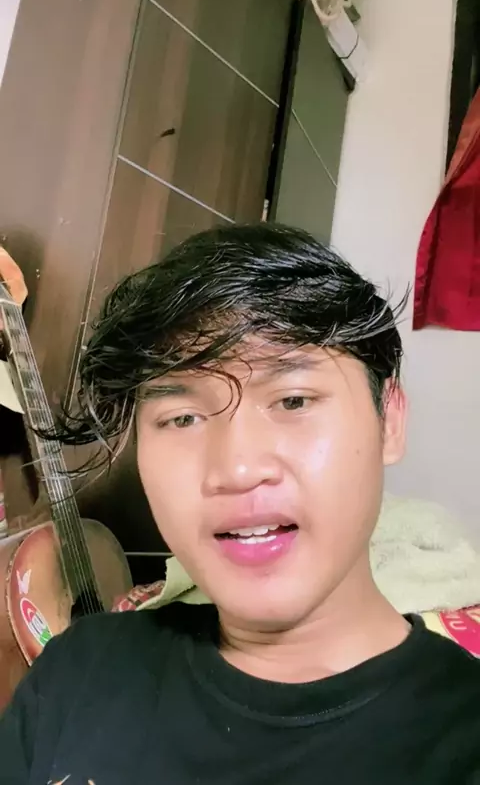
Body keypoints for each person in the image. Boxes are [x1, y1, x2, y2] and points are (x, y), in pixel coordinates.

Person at [1, 223, 479, 784]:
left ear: (389, 420)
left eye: (293, 400)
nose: (237, 470)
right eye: (183, 417)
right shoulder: (78, 672)